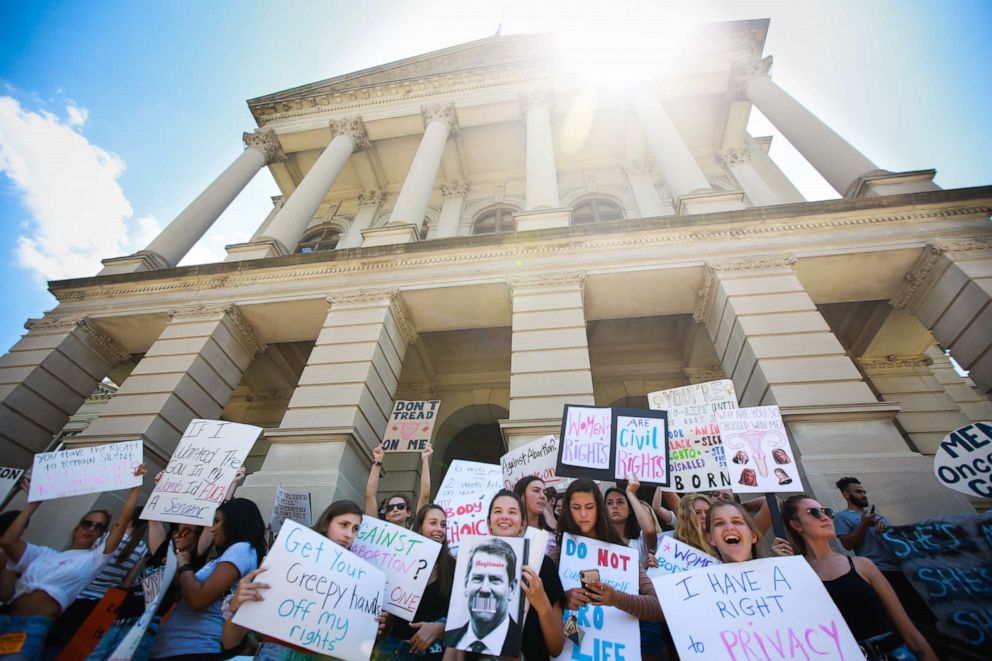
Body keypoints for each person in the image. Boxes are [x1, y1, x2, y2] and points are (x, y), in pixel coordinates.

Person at [0, 465, 146, 660]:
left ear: (103, 535)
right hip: (6, 617)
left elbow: (122, 520)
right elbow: (8, 540)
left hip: (30, 628)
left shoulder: (93, 560)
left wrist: (135, 487)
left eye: (99, 527)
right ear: (77, 527)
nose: (92, 529)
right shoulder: (44, 554)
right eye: (88, 523)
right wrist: (33, 503)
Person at [225, 499, 386, 660]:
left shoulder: (359, 582)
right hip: (277, 652)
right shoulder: (284, 563)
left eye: (355, 529)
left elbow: (358, 649)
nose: (349, 534)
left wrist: (369, 629)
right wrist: (235, 606)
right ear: (325, 525)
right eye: (343, 525)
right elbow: (231, 642)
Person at [782, 495, 937, 661]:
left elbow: (909, 632)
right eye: (813, 512)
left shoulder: (863, 565)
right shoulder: (796, 574)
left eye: (826, 511)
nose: (825, 517)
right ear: (796, 524)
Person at [445, 489, 563, 661]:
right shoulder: (469, 562)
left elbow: (556, 647)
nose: (505, 517)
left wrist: (541, 602)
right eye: (498, 511)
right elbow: (454, 646)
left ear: (523, 524)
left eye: (512, 512)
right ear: (489, 523)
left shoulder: (543, 566)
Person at [555, 479, 664, 661]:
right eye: (576, 507)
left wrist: (616, 598)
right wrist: (564, 599)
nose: (583, 514)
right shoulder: (557, 555)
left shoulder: (623, 555)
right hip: (574, 648)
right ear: (567, 510)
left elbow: (657, 606)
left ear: (599, 509)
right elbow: (542, 605)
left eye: (589, 507)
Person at [149, 498, 266, 660]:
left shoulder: (242, 549)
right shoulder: (225, 557)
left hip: (195, 648)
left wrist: (184, 565)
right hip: (174, 648)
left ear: (235, 522)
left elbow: (198, 600)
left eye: (217, 521)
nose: (213, 529)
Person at [88, 521, 204, 660]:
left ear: (196, 538)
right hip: (121, 620)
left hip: (144, 628)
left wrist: (182, 564)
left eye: (185, 531)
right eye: (176, 530)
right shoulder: (161, 552)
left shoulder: (189, 565)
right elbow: (154, 522)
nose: (178, 534)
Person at [832, 477, 936, 631]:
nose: (863, 495)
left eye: (864, 492)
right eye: (858, 492)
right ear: (847, 495)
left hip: (900, 569)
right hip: (879, 570)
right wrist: (864, 525)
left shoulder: (879, 516)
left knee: (921, 615)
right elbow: (848, 544)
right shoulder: (843, 517)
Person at [375, 503, 455, 661]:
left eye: (443, 524)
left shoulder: (454, 567)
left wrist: (441, 628)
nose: (439, 529)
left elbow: (460, 615)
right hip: (392, 650)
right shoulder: (397, 560)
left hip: (431, 654)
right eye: (433, 523)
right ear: (419, 528)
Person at [366, 443, 433, 527]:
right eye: (390, 508)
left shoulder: (414, 531)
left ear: (408, 513)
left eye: (400, 506)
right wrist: (377, 460)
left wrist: (425, 459)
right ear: (386, 515)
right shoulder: (377, 530)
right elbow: (370, 495)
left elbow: (425, 496)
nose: (395, 509)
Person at [704, 500, 793, 563]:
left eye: (737, 522)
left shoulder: (783, 569)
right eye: (719, 523)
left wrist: (785, 565)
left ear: (753, 536)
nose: (729, 527)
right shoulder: (701, 585)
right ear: (711, 539)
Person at [604, 475, 656, 567]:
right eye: (609, 503)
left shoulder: (640, 540)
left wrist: (630, 493)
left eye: (620, 502)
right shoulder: (599, 539)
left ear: (630, 510)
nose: (614, 506)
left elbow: (650, 530)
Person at [512, 476, 557, 554]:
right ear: (521, 496)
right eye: (536, 491)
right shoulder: (508, 534)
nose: (543, 496)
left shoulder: (554, 538)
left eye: (545, 493)